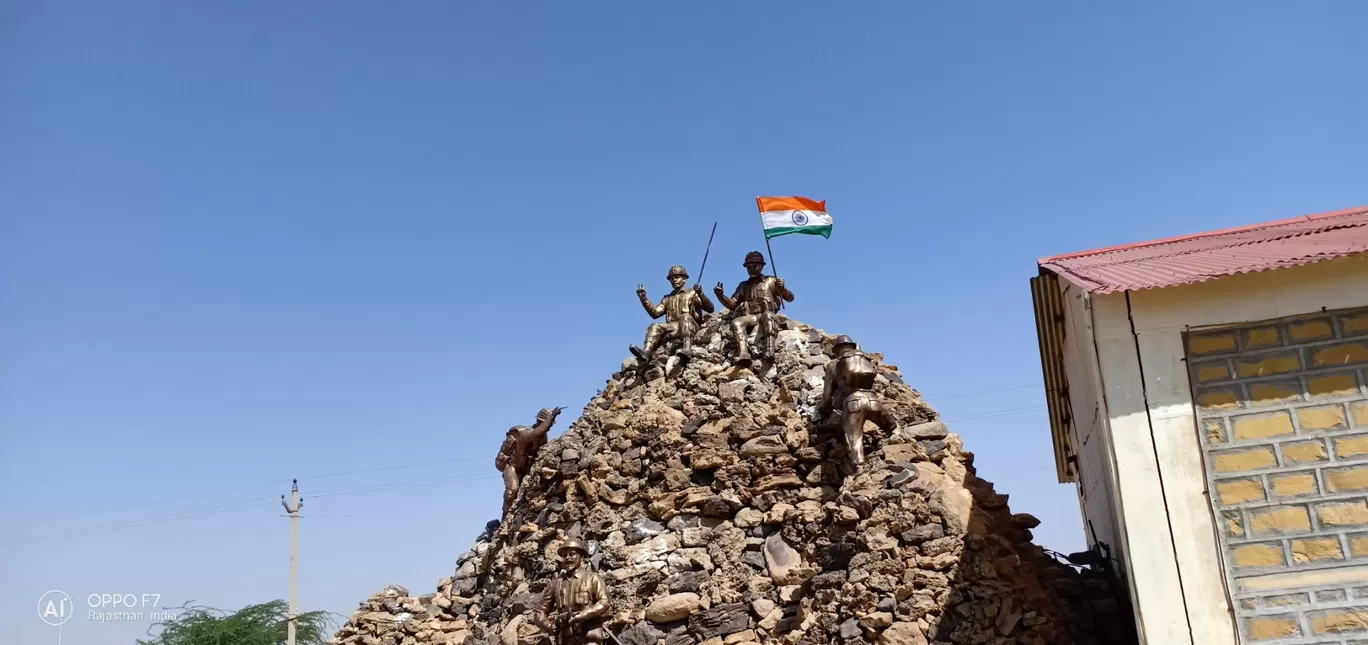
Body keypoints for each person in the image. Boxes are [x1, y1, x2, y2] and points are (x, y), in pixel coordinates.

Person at [818, 335, 895, 467]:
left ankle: (860, 476)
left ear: (837, 350)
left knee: (855, 445)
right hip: (874, 401)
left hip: (853, 404)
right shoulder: (865, 360)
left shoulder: (833, 365)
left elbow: (826, 397)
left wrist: (823, 409)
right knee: (894, 429)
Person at [713, 251, 793, 363]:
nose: (752, 269)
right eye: (749, 266)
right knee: (736, 322)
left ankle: (770, 351)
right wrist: (721, 296)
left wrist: (782, 289)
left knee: (768, 315)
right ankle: (744, 353)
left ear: (761, 266)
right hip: (751, 316)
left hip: (767, 313)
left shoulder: (771, 281)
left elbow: (790, 298)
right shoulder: (743, 285)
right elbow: (732, 304)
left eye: (754, 266)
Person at [630, 264, 714, 365]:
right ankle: (646, 352)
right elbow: (655, 313)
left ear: (684, 279)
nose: (674, 280)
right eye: (672, 278)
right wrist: (644, 299)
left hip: (690, 326)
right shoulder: (667, 298)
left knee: (685, 316)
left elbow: (710, 308)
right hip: (673, 327)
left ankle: (687, 348)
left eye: (677, 277)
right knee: (655, 326)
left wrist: (701, 294)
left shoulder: (692, 293)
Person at [537, 538, 610, 644]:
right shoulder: (555, 584)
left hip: (589, 636)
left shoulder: (593, 578)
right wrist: (549, 626)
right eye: (564, 555)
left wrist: (581, 616)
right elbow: (539, 612)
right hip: (566, 638)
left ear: (582, 557)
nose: (568, 558)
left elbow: (604, 602)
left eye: (572, 554)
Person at [495, 407, 562, 517]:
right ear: (540, 421)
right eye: (548, 424)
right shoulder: (527, 435)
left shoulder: (541, 439)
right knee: (512, 490)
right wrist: (552, 416)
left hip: (525, 468)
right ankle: (505, 518)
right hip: (512, 467)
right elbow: (539, 431)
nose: (550, 427)